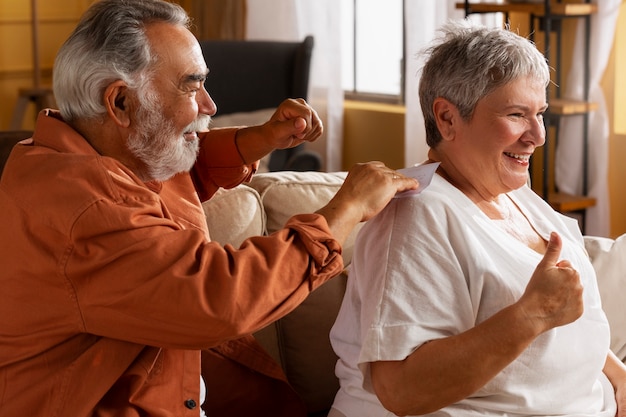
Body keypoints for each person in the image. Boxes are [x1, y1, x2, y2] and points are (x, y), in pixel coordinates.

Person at [0, 1, 419, 416]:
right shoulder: (85, 207)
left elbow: (164, 170)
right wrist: (344, 210)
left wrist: (256, 140)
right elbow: (222, 298)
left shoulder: (79, 152)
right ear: (121, 103)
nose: (210, 105)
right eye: (190, 85)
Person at [328, 19, 626, 417]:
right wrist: (530, 315)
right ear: (448, 118)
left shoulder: (516, 193)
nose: (537, 135)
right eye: (517, 115)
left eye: (540, 113)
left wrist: (614, 372)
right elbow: (400, 389)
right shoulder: (415, 215)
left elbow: (565, 312)